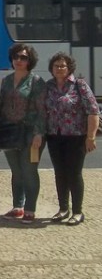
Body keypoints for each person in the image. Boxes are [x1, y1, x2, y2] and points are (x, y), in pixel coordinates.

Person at [44, 52, 100, 226]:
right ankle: (63, 209)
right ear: (51, 69)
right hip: (54, 136)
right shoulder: (48, 86)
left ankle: (77, 211)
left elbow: (93, 111)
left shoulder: (79, 85)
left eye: (63, 66)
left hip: (76, 137)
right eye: (56, 66)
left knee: (74, 174)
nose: (59, 69)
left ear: (69, 68)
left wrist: (90, 137)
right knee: (59, 173)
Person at [0, 43, 46, 224]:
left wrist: (39, 133)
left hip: (30, 133)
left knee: (29, 171)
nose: (19, 60)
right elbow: (1, 107)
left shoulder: (36, 81)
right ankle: (18, 206)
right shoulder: (7, 80)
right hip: (10, 132)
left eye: (23, 57)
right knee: (16, 171)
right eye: (16, 57)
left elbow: (42, 110)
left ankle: (30, 209)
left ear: (29, 60)